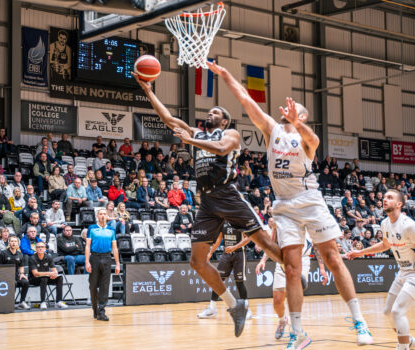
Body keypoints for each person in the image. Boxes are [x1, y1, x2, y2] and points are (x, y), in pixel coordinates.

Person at [209, 61, 372, 347]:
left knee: (333, 259)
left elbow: (312, 138)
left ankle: (360, 322)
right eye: (289, 110)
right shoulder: (273, 130)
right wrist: (225, 75)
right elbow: (246, 100)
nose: (289, 111)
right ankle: (298, 332)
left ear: (304, 117)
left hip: (310, 201)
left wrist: (298, 122)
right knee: (292, 268)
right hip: (283, 205)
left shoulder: (307, 139)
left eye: (297, 111)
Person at [135, 70, 284, 338]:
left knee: (265, 243)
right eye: (211, 112)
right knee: (196, 261)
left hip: (228, 195)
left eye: (216, 112)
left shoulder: (231, 135)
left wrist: (188, 141)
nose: (211, 113)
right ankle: (234, 306)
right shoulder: (197, 133)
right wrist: (148, 91)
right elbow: (168, 119)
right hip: (206, 201)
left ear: (224, 120)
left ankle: (293, 269)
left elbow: (221, 150)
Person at [347, 189, 415, 350]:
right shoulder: (385, 224)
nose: (385, 200)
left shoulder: (409, 226)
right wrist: (360, 252)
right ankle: (409, 341)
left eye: (390, 198)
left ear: (399, 204)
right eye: (384, 197)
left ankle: (403, 347)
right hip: (403, 273)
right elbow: (385, 245)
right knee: (387, 312)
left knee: (397, 311)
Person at [255, 220, 328, 340]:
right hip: (283, 260)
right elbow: (271, 244)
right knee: (277, 301)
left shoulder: (309, 222)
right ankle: (282, 321)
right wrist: (263, 260)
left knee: (295, 291)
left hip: (302, 261)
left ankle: (296, 329)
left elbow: (317, 247)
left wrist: (322, 268)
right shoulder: (282, 221)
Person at [198, 222, 253, 320]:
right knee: (217, 280)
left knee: (239, 282)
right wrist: (210, 252)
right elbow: (219, 239)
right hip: (226, 254)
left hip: (239, 254)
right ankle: (212, 308)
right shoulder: (223, 222)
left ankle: (246, 309)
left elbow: (249, 238)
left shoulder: (240, 220)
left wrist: (235, 247)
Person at [85, 209, 120, 320]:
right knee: (93, 286)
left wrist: (117, 264)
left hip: (107, 258)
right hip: (94, 257)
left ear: (107, 216)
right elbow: (87, 246)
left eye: (104, 214)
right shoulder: (92, 228)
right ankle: (95, 309)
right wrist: (87, 261)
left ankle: (102, 311)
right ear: (97, 216)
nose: (103, 216)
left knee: (105, 286)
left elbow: (114, 248)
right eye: (101, 214)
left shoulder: (111, 230)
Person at [28, 241, 68, 310]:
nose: (40, 248)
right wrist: (49, 273)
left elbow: (54, 270)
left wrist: (55, 274)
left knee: (60, 278)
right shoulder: (32, 258)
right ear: (36, 249)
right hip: (34, 279)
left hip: (45, 278)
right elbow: (35, 273)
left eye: (42, 247)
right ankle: (43, 302)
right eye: (38, 247)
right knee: (44, 278)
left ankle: (59, 301)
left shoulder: (48, 257)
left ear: (45, 249)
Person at [0, 236, 30, 309]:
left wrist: (22, 274)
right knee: (14, 283)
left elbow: (21, 266)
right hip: (5, 276)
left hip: (16, 275)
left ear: (18, 244)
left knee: (26, 282)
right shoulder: (3, 253)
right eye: (12, 241)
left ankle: (22, 302)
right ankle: (11, 302)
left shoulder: (20, 254)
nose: (13, 243)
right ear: (9, 243)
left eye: (15, 241)